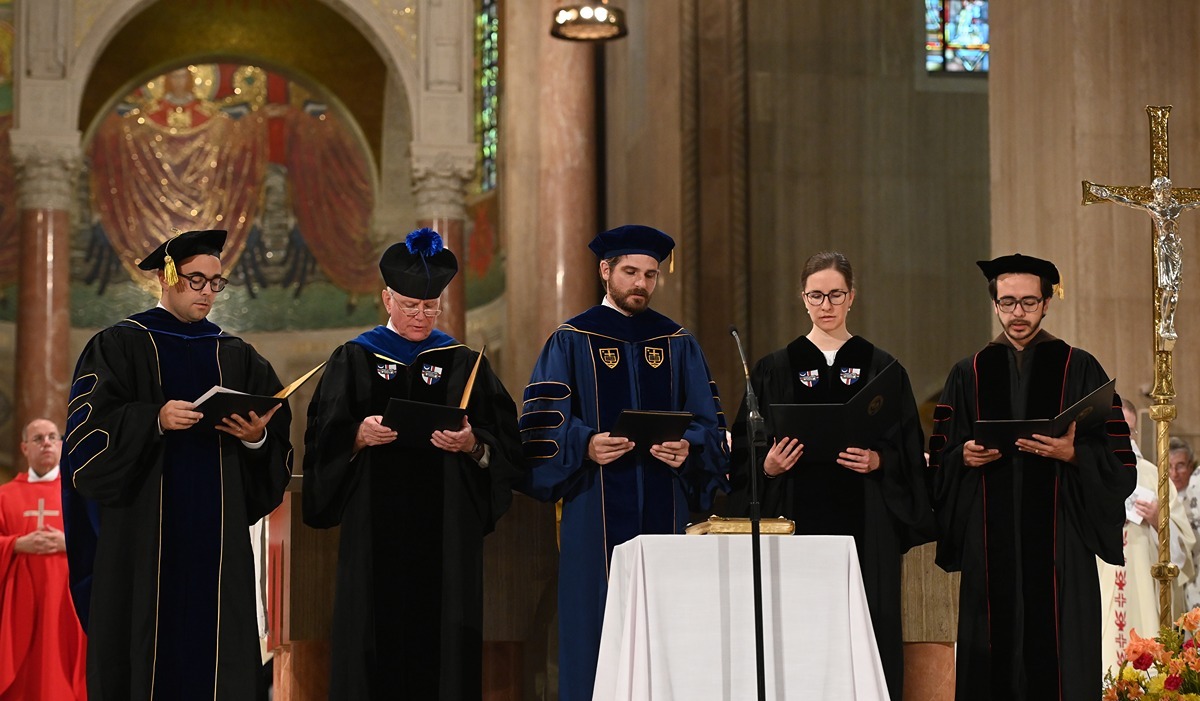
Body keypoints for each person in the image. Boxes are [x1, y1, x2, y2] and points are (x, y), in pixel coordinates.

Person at [62, 229, 293, 701]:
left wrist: (256, 438)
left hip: (217, 539)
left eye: (215, 282)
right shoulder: (120, 344)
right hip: (142, 537)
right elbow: (85, 438)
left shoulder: (236, 354)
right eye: (196, 280)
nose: (207, 291)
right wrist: (154, 419)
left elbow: (274, 428)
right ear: (167, 279)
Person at [303, 228, 523, 701]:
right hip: (372, 531)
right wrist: (357, 436)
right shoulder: (355, 358)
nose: (421, 316)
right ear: (386, 298)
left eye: (431, 307)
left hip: (447, 535)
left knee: (442, 650)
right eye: (409, 306)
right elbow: (323, 437)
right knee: (373, 642)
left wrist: (471, 445)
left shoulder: (463, 362)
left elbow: (505, 442)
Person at [516, 224, 730, 701]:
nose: (641, 284)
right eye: (630, 272)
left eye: (651, 275)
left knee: (665, 625)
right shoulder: (571, 339)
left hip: (665, 506)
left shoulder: (677, 342)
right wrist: (585, 443)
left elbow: (708, 424)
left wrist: (689, 447)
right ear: (605, 271)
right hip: (594, 508)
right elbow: (540, 425)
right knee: (591, 627)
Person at [725, 251, 934, 701]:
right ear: (803, 299)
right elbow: (746, 447)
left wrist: (881, 462)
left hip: (868, 518)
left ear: (851, 297)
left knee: (868, 626)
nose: (826, 303)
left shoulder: (883, 368)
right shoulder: (773, 369)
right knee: (799, 628)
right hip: (793, 515)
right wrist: (766, 465)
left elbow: (909, 451)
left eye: (835, 294)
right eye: (816, 294)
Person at [928, 253, 1137, 701]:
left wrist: (1074, 453)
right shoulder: (970, 373)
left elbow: (1119, 459)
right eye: (1007, 302)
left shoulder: (1078, 367)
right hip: (991, 546)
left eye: (1027, 302)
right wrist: (962, 456)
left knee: (1057, 658)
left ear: (1046, 304)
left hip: (1060, 545)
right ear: (996, 304)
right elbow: (940, 457)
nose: (1016, 313)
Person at [1097, 400, 1195, 675]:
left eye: (1127, 430)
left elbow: (1180, 551)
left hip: (1143, 584)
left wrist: (1156, 518)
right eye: (1115, 429)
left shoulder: (1154, 475)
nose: (1122, 436)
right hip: (1102, 583)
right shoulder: (1092, 474)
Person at [0, 419, 87, 700]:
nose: (47, 443)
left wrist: (70, 543)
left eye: (53, 437)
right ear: (24, 448)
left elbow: (105, 543)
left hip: (68, 604)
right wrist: (16, 544)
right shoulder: (4, 496)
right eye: (38, 439)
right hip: (17, 610)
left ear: (62, 445)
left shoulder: (79, 495)